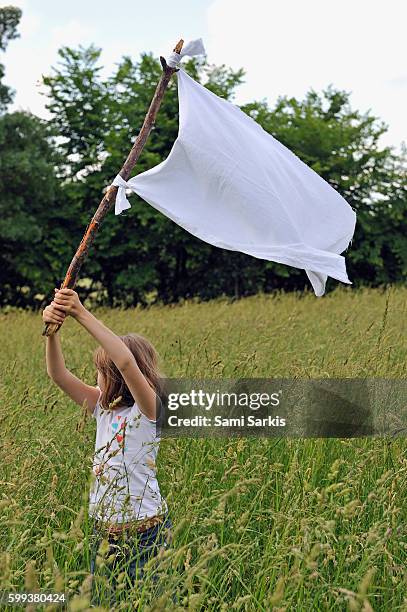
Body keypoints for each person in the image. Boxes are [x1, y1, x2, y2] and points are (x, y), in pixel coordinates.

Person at [42, 288, 172, 604]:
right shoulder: (102, 408)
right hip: (105, 537)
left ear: (116, 376)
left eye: (100, 371)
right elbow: (58, 375)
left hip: (145, 538)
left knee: (143, 603)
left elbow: (127, 363)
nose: (95, 377)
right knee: (104, 603)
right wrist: (52, 333)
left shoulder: (149, 411)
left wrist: (81, 313)